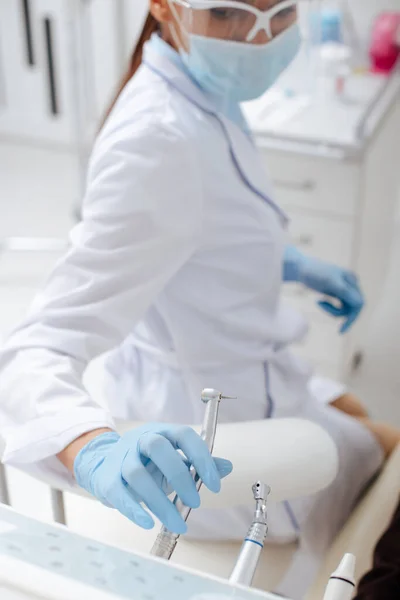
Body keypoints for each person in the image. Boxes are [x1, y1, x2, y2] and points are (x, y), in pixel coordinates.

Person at [0, 0, 399, 596]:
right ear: (164, 7)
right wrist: (91, 448)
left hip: (249, 365)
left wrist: (280, 260)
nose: (256, 40)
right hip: (217, 440)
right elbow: (34, 348)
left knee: (365, 419)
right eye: (227, 13)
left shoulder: (200, 87)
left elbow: (192, 224)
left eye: (281, 14)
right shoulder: (156, 138)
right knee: (388, 445)